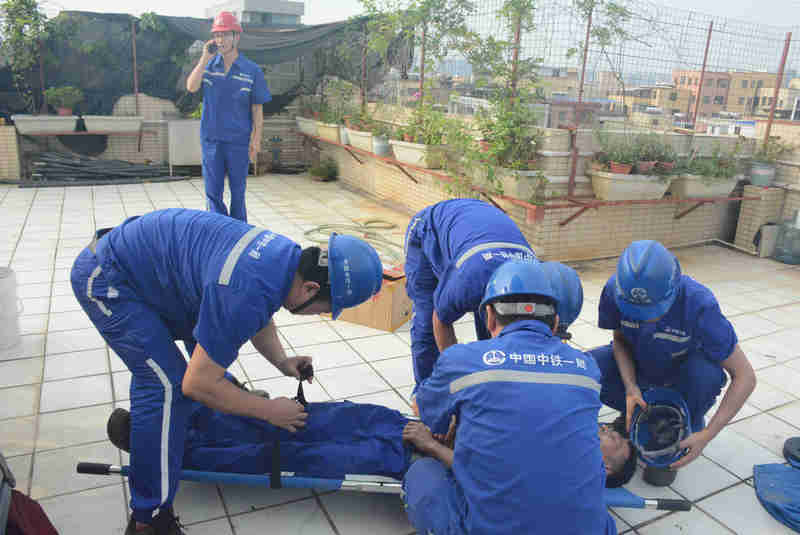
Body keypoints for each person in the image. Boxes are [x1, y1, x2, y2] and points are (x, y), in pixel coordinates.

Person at [70, 208, 383, 535]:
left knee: (207, 368)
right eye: (325, 309)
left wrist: (282, 362)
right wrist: (268, 410)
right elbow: (197, 382)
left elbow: (259, 310)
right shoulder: (244, 288)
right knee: (167, 385)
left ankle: (182, 426)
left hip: (154, 272)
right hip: (109, 279)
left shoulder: (282, 259)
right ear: (310, 289)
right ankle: (148, 520)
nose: (318, 315)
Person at [405, 259, 620, 535]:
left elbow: (428, 415)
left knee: (422, 474)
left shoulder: (461, 360)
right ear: (555, 322)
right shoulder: (587, 368)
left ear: (489, 317)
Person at [588, 240, 756, 486]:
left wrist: (707, 435)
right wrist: (631, 387)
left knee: (706, 375)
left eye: (653, 311)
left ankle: (684, 421)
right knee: (588, 368)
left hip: (682, 383)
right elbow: (620, 340)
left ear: (674, 289)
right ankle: (635, 413)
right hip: (641, 370)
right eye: (636, 313)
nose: (646, 320)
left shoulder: (699, 304)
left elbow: (745, 377)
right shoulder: (614, 291)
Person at [403, 199, 535, 396]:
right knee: (426, 319)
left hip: (476, 230)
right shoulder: (467, 282)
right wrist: (458, 377)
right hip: (429, 227)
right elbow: (440, 319)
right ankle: (425, 396)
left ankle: (491, 387)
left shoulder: (540, 286)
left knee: (491, 335)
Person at [186, 11, 271, 223]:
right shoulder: (208, 66)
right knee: (212, 193)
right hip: (212, 140)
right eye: (217, 35)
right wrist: (204, 58)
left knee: (238, 193)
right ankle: (218, 232)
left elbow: (257, 110)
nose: (220, 40)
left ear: (236, 37)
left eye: (225, 34)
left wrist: (256, 140)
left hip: (238, 142)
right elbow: (191, 87)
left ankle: (239, 232)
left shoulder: (252, 70)